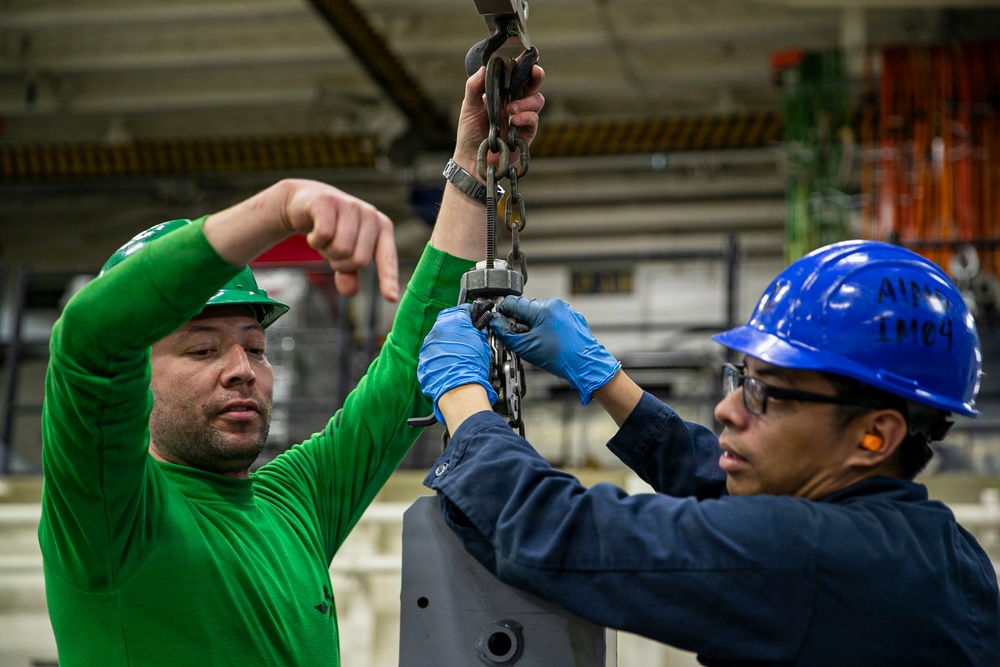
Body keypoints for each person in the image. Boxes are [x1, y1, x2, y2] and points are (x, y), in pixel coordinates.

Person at [38, 63, 545, 667]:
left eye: (254, 347)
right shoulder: (107, 513)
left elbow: (410, 359)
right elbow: (88, 341)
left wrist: (470, 168)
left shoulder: (292, 504)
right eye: (201, 349)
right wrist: (277, 209)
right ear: (133, 385)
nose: (241, 369)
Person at [417, 239, 1000, 666]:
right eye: (739, 379)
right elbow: (719, 485)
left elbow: (558, 532)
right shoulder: (936, 549)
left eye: (764, 394)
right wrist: (606, 380)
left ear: (875, 435)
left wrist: (464, 401)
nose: (726, 410)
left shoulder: (815, 562)